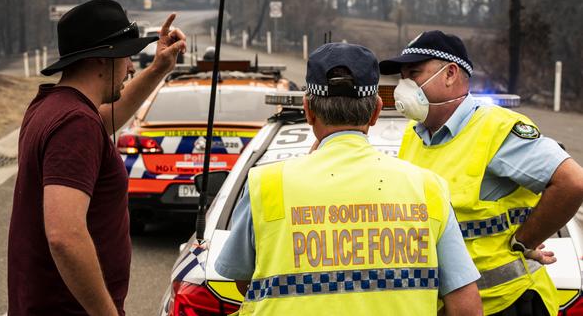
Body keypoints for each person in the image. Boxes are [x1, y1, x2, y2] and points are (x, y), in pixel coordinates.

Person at [215, 43, 483, 315]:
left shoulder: (267, 185)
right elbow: (466, 307)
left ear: (308, 110)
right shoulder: (428, 189)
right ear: (376, 111)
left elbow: (244, 280)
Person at [380, 30, 583, 315]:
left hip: (506, 303)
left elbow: (572, 183)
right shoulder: (414, 136)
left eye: (413, 73)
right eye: (401, 77)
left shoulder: (495, 129)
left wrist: (524, 241)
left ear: (450, 74)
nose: (404, 86)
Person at [7, 0, 186, 315]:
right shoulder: (75, 125)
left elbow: (104, 119)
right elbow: (64, 235)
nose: (131, 66)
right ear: (103, 59)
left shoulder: (54, 108)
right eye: (126, 56)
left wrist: (159, 68)